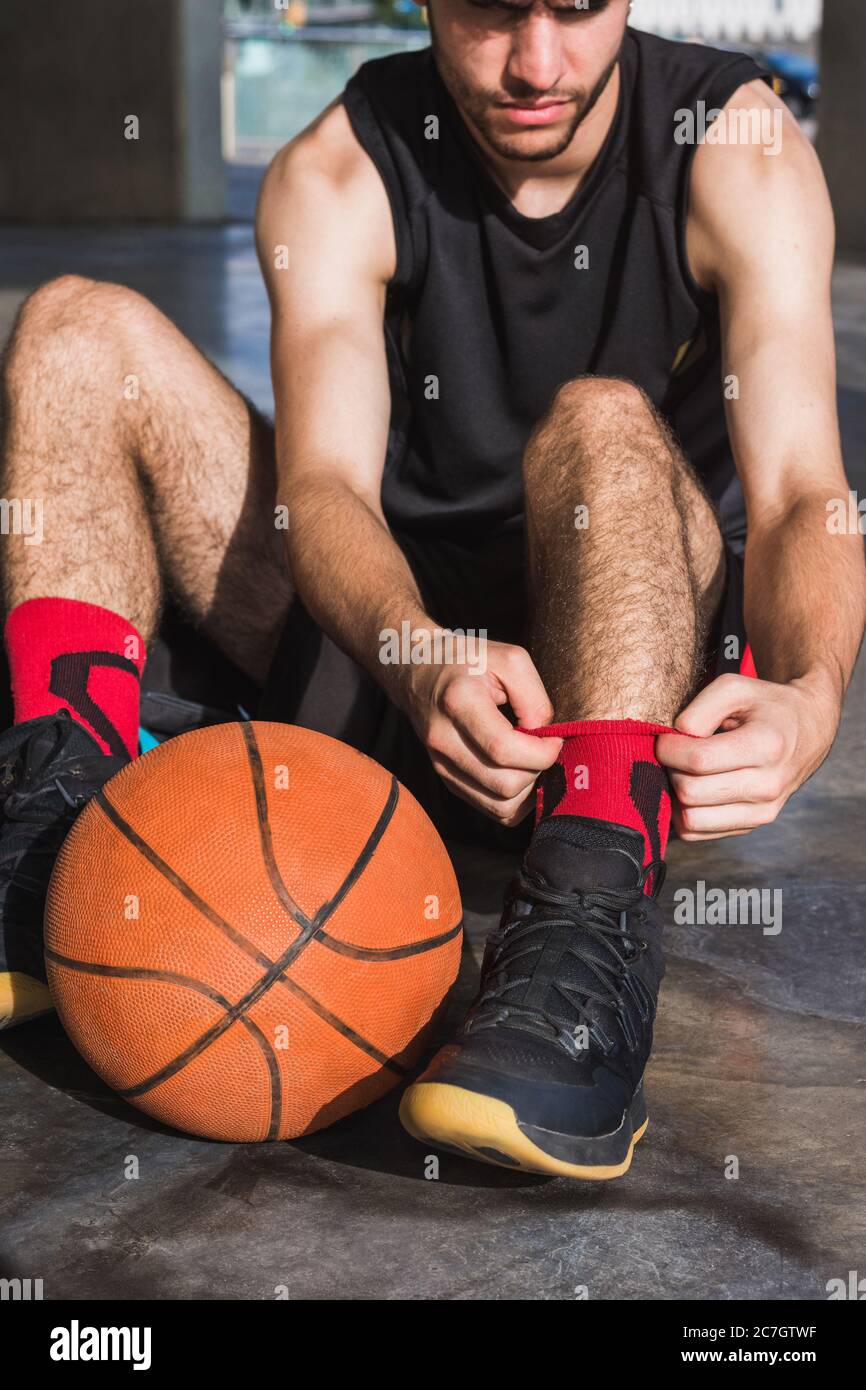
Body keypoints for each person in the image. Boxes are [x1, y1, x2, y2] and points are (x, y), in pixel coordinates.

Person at [1, 1, 863, 1178]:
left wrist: (811, 693)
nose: (536, 64)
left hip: (623, 690)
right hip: (398, 666)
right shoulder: (341, 165)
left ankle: (585, 915)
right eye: (490, 12)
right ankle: (53, 832)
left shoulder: (734, 145)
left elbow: (801, 493)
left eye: (574, 8)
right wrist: (411, 651)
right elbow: (321, 489)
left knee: (600, 421)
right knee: (71, 329)